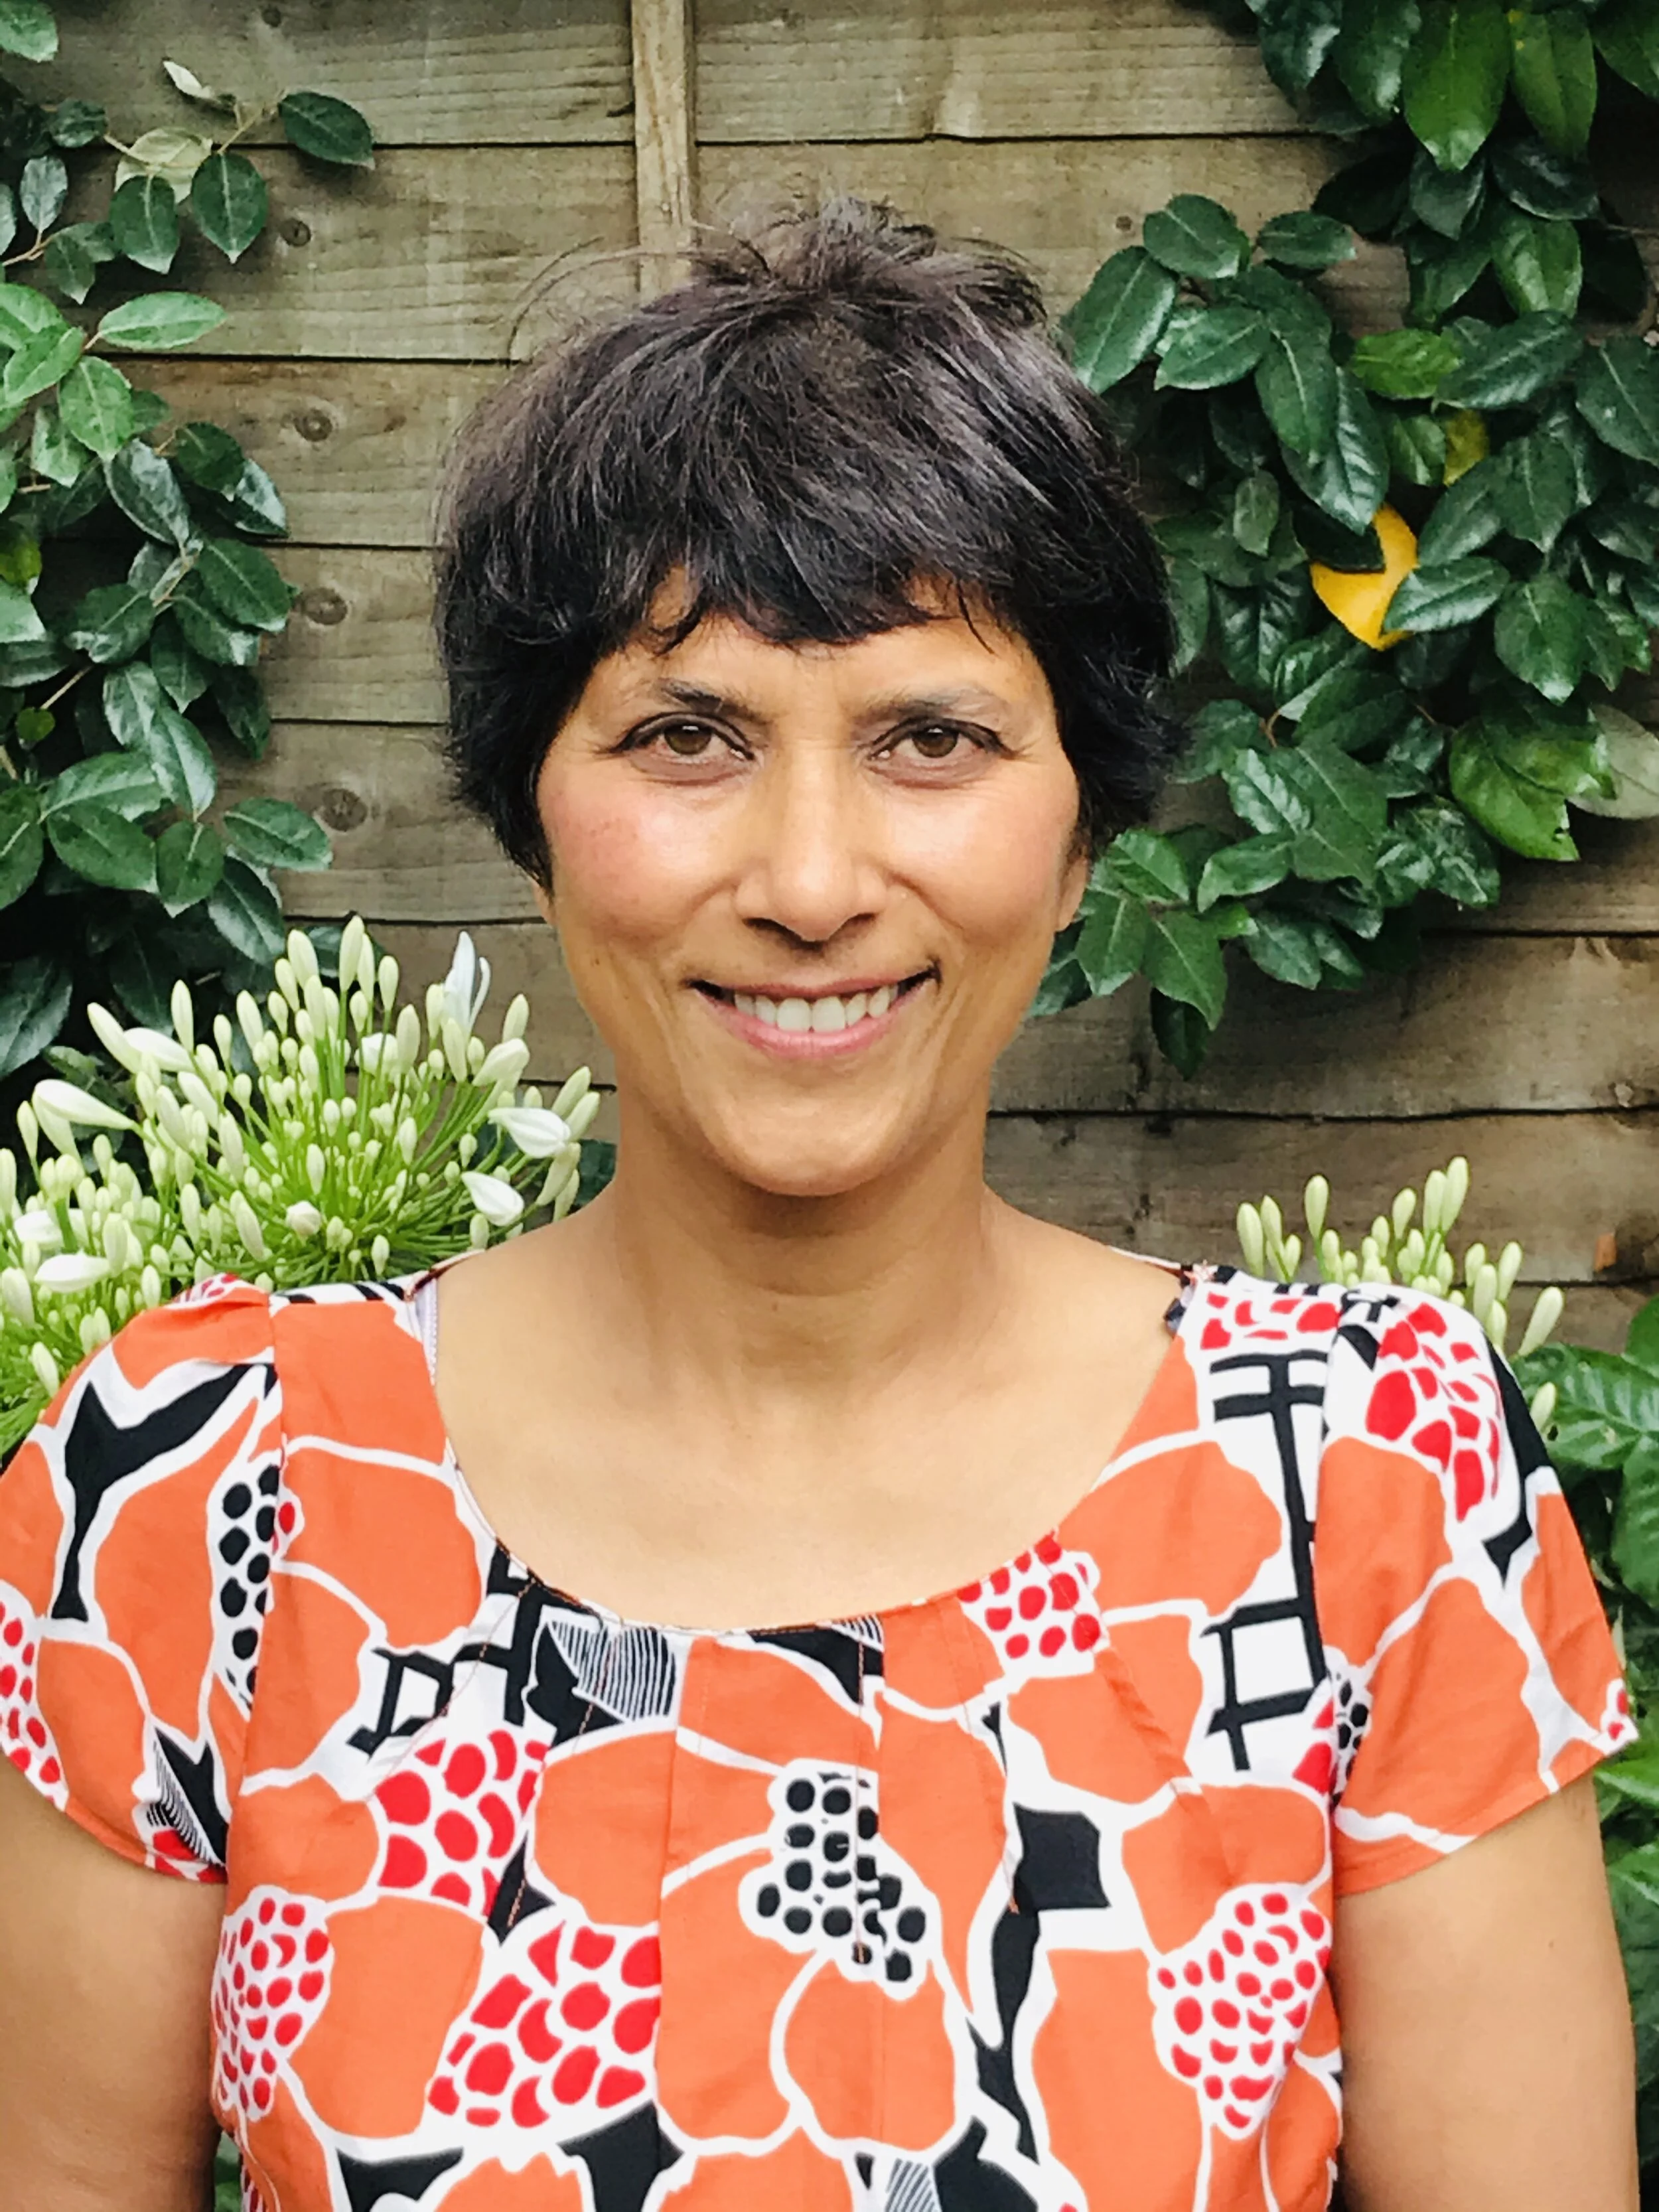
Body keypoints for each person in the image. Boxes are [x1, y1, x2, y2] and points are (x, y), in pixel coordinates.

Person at [0, 200, 1638, 2212]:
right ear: (535, 807)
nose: (806, 874)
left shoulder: (1364, 1482)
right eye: (685, 735)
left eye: (928, 737)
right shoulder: (203, 1489)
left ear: (1081, 818)